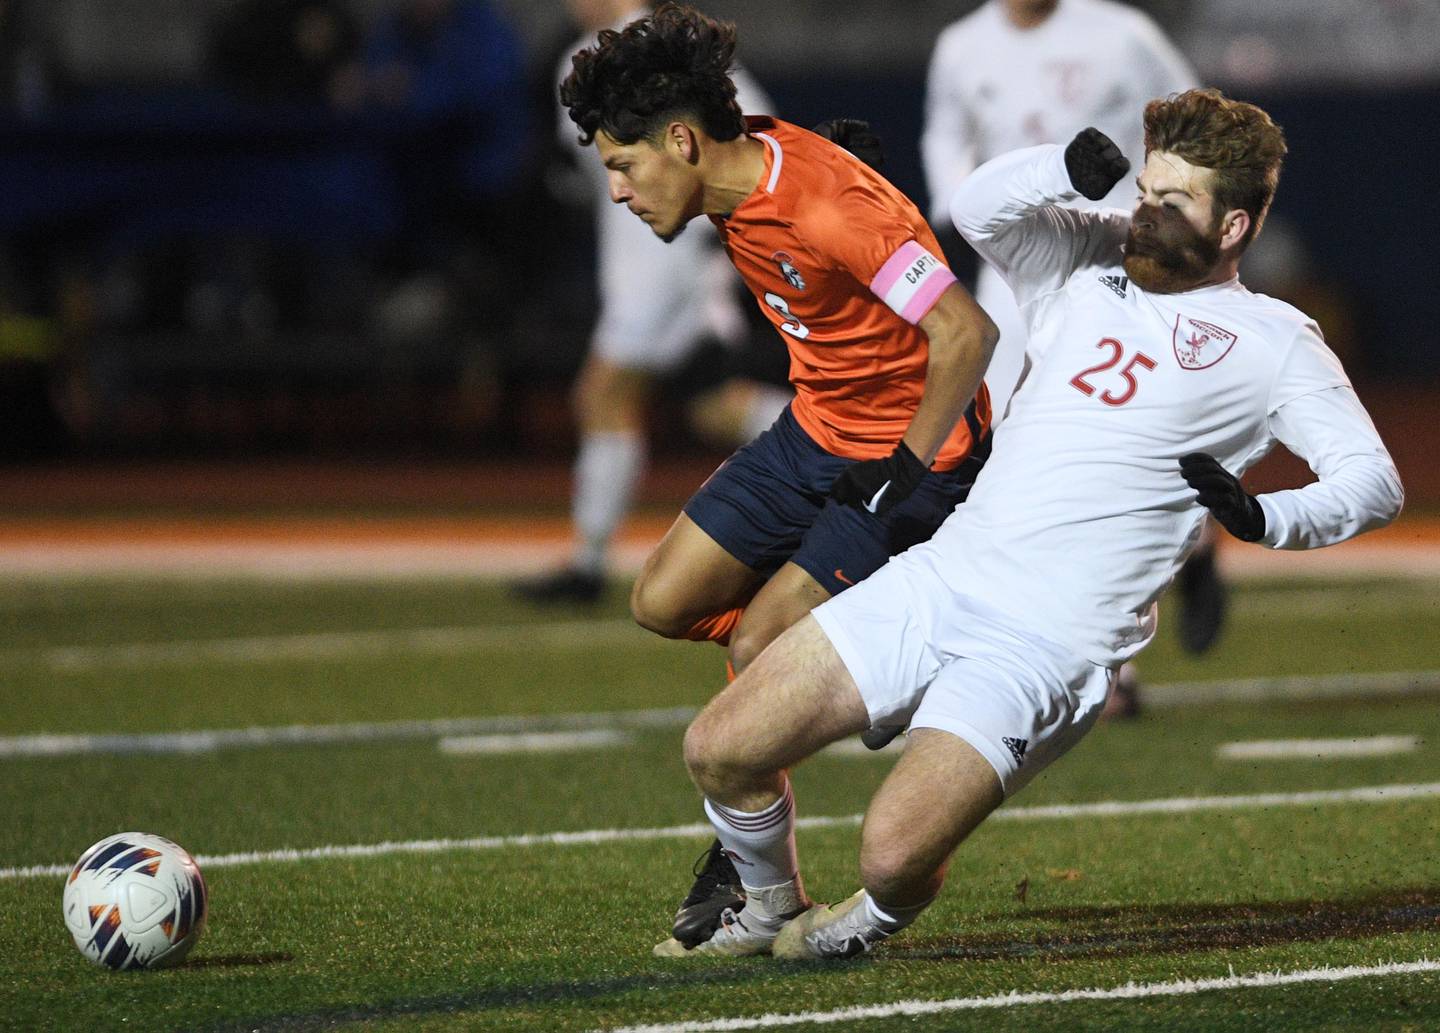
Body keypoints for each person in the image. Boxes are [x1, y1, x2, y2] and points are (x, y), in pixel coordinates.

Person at [661, 90, 1404, 959]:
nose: (1144, 212)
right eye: (1146, 187)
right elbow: (978, 207)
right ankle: (766, 902)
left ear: (1234, 227)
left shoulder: (1278, 341)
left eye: (1174, 202)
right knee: (719, 745)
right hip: (948, 575)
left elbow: (1372, 481)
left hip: (1052, 643)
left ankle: (868, 921)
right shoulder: (1085, 260)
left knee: (891, 851)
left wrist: (1267, 516)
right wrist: (1064, 166)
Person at [558, 2, 998, 952]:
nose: (621, 192)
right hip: (812, 430)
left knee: (762, 645)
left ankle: (765, 898)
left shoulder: (829, 207)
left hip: (905, 457)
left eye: (624, 166)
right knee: (663, 598)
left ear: (679, 140)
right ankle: (878, 640)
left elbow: (967, 333)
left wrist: (900, 470)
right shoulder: (738, 160)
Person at [921, 0, 1223, 708]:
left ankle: (1138, 621)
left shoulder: (1121, 33)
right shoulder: (962, 45)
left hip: (1119, 261)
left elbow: (1197, 123)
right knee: (1004, 455)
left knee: (1119, 450)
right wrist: (950, 206)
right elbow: (945, 135)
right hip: (1014, 268)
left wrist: (1182, 216)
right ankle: (1057, 645)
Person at [513, 0, 787, 606]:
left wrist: (718, 234)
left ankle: (586, 564)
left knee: (603, 392)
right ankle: (844, 441)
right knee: (711, 405)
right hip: (637, 260)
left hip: (673, 260)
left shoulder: (670, 48)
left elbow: (758, 133)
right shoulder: (577, 57)